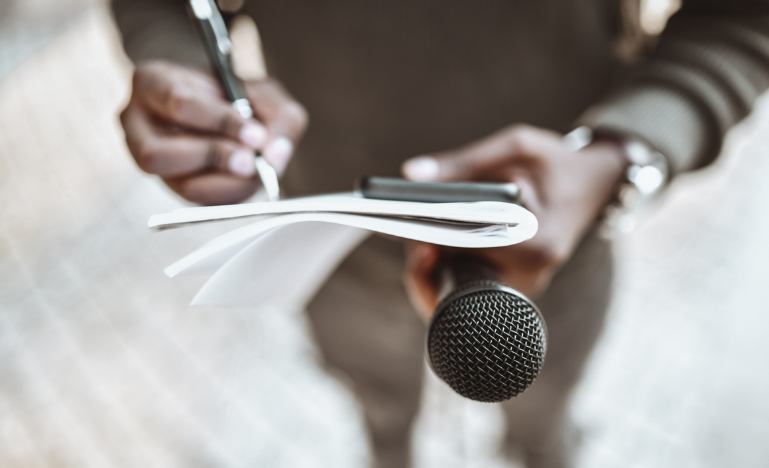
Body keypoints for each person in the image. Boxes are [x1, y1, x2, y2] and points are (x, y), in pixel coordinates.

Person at [111, 1, 769, 467]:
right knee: (375, 402)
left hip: (550, 259)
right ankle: (387, 449)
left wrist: (624, 151)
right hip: (337, 251)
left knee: (544, 417)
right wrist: (186, 75)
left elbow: (740, 14)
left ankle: (541, 452)